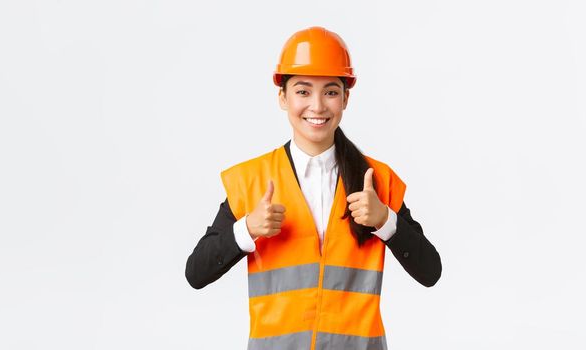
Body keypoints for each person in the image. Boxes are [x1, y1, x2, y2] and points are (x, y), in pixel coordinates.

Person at [185, 26, 442, 350]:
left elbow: (430, 270)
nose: (317, 106)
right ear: (283, 96)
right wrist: (247, 229)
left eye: (331, 92)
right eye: (303, 91)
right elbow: (196, 273)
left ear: (346, 97)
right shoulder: (252, 181)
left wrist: (385, 221)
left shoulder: (376, 180)